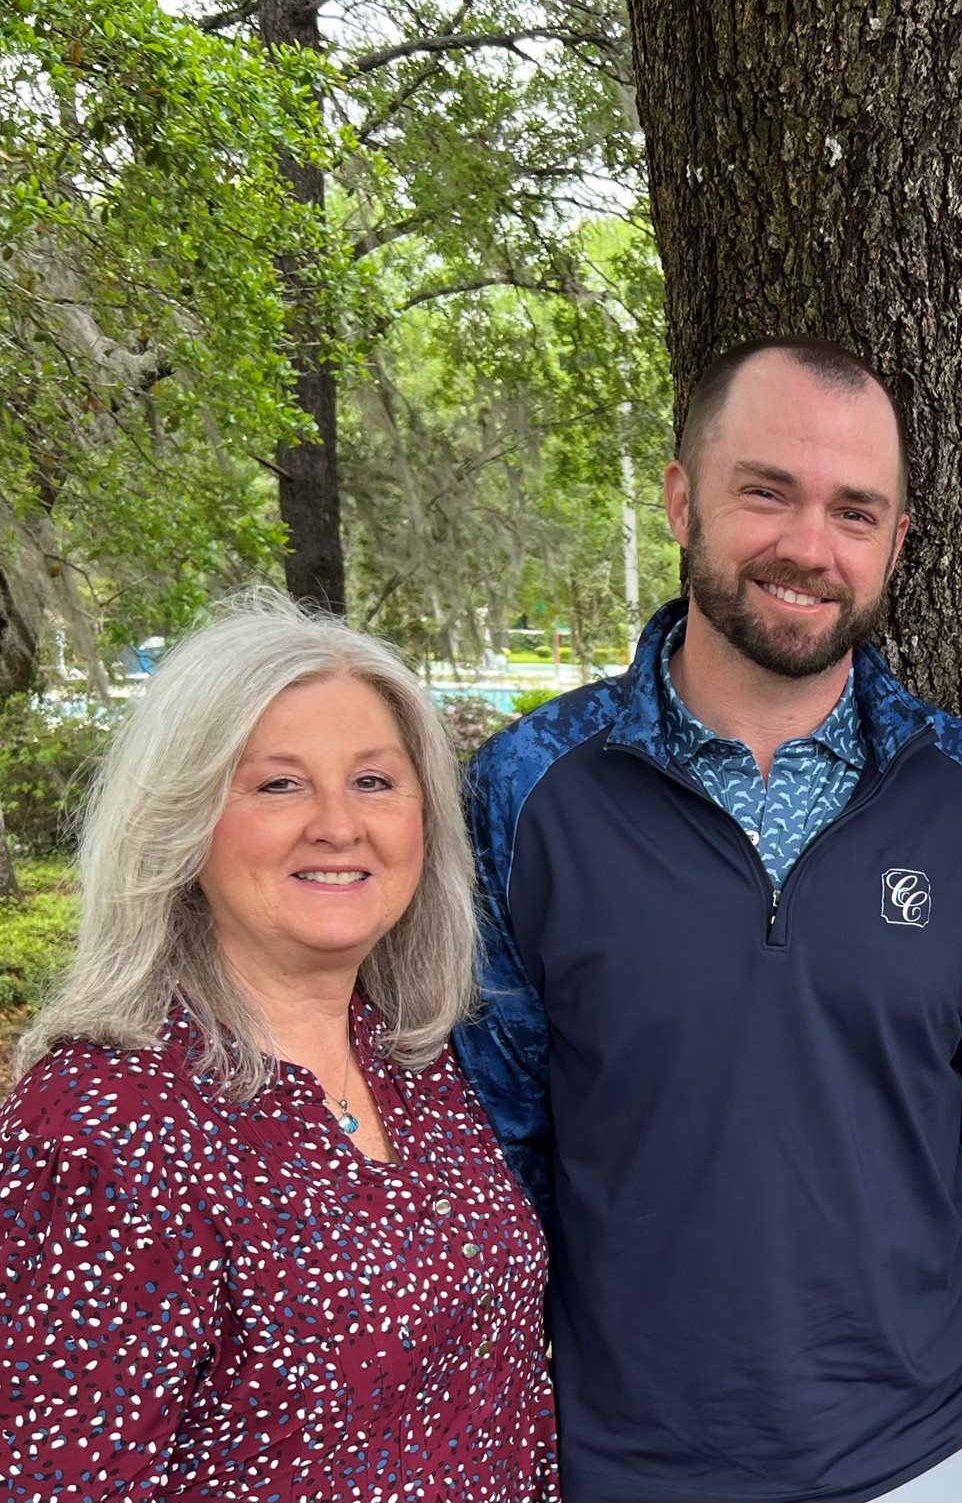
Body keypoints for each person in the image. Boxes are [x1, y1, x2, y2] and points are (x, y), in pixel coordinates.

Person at [455, 335, 962, 1503]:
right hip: (625, 1463)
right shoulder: (527, 788)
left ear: (895, 542)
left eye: (854, 512)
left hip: (929, 1456)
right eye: (766, 492)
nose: (808, 546)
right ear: (682, 499)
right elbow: (493, 1130)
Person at [0, 593, 557, 1501]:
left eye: (373, 781)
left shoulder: (412, 1060)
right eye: (278, 785)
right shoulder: (103, 1127)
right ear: (180, 821)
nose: (338, 825)